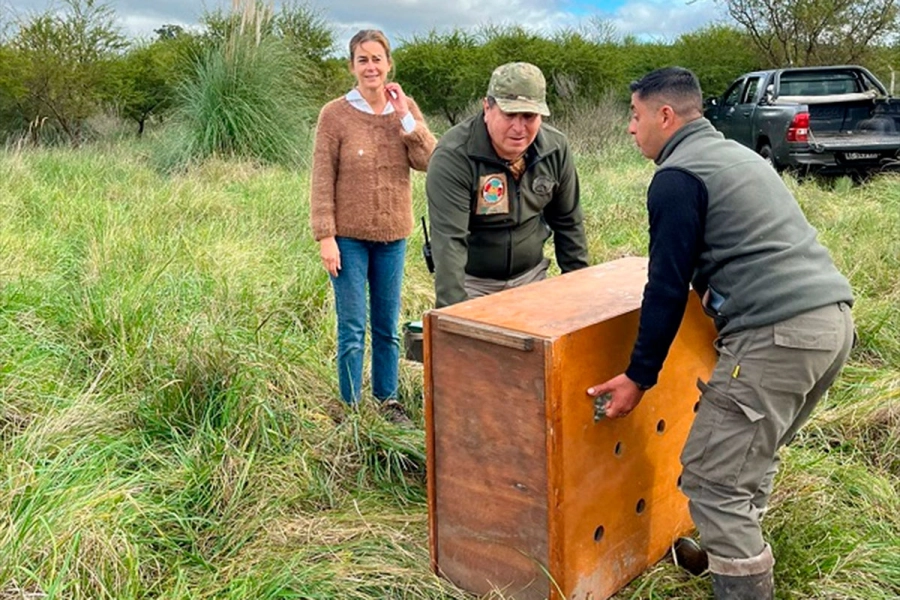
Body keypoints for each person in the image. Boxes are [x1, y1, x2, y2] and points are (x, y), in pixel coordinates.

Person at [586, 67, 854, 599]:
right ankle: (725, 552)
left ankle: (742, 580)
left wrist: (639, 376)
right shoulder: (736, 155)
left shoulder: (678, 176)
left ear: (665, 116)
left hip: (778, 335)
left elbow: (665, 288)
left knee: (714, 480)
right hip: (832, 324)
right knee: (749, 456)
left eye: (635, 117)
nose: (630, 129)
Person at [309, 29, 436, 423]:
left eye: (377, 59)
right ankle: (349, 408)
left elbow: (430, 159)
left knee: (387, 326)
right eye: (362, 59)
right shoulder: (335, 114)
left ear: (388, 64)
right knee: (352, 326)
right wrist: (325, 235)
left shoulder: (405, 108)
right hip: (347, 239)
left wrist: (406, 119)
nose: (370, 67)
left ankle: (387, 401)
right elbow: (321, 176)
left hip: (392, 238)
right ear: (352, 66)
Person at [425, 62, 588, 308]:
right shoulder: (454, 156)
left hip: (532, 277)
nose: (519, 128)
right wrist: (453, 316)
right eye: (510, 114)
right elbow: (450, 242)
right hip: (473, 283)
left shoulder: (555, 149)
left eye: (529, 116)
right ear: (487, 108)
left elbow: (569, 223)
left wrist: (578, 298)